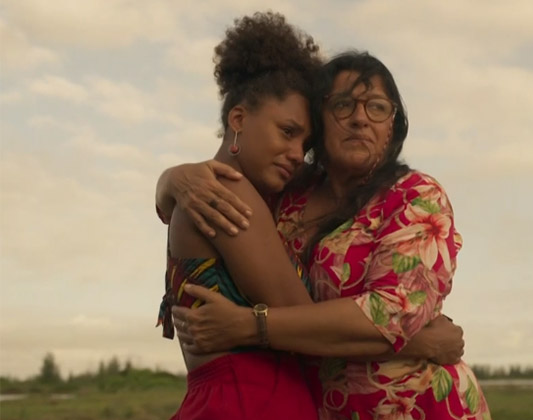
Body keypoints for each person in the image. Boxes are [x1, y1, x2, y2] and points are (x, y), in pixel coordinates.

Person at [159, 51, 490, 419]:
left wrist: (252, 326)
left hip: (417, 406)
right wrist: (172, 180)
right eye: (344, 105)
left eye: (377, 107)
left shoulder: (414, 197)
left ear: (392, 129)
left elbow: (389, 317)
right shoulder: (286, 196)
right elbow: (220, 192)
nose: (360, 118)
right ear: (321, 121)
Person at [156, 12, 322, 419]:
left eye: (305, 144)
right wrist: (412, 338)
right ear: (239, 119)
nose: (297, 154)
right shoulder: (225, 191)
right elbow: (308, 325)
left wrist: (168, 180)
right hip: (251, 403)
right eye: (287, 132)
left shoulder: (213, 188)